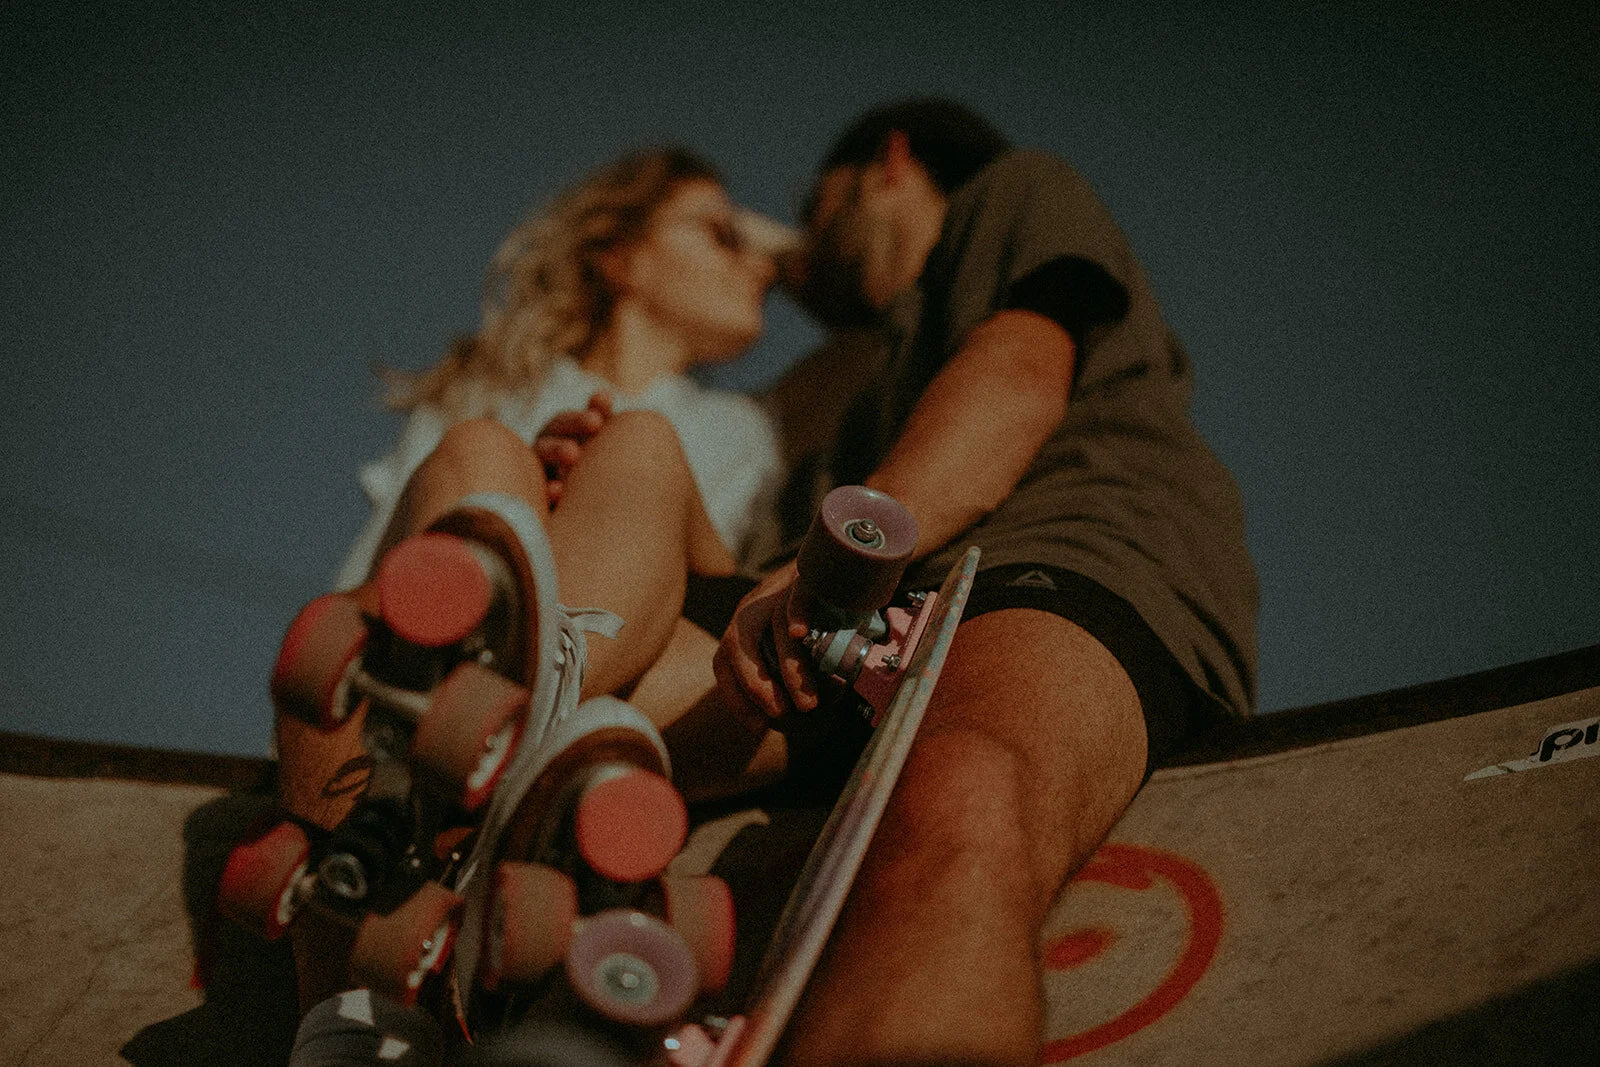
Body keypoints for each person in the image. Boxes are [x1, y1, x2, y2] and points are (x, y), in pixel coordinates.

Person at [706, 98, 1259, 1063]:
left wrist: (831, 555)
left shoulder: (1010, 194)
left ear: (891, 160)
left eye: (815, 202)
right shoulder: (856, 402)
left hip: (1069, 542)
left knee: (961, 791)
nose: (802, 231)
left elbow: (1014, 380)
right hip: (860, 620)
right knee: (606, 723)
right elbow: (748, 592)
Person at [273, 146, 796, 1014]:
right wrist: (528, 503)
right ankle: (502, 728)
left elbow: (717, 598)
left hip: (618, 672)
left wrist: (628, 504)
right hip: (427, 674)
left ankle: (509, 727)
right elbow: (364, 586)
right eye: (723, 233)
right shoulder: (486, 389)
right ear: (619, 256)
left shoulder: (735, 426)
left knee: (639, 447)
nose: (760, 263)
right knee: (485, 453)